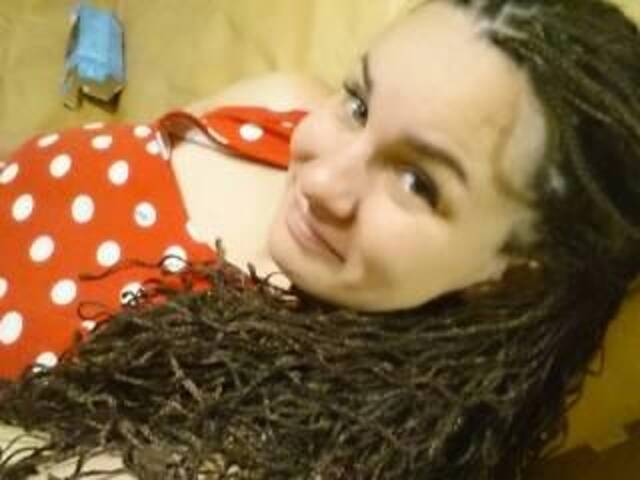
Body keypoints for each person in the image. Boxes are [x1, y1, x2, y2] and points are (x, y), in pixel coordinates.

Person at [0, 0, 639, 478]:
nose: (322, 178)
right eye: (360, 103)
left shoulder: (274, 437)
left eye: (418, 182)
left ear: (510, 273)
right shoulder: (287, 107)